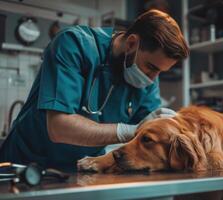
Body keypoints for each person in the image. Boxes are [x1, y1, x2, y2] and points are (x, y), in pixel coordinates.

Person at [0, 9, 189, 169]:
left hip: (82, 170)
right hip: (26, 165)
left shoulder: (146, 80)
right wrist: (129, 131)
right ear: (131, 44)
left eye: (160, 72)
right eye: (152, 67)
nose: (153, 79)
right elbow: (58, 127)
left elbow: (150, 136)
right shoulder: (74, 44)